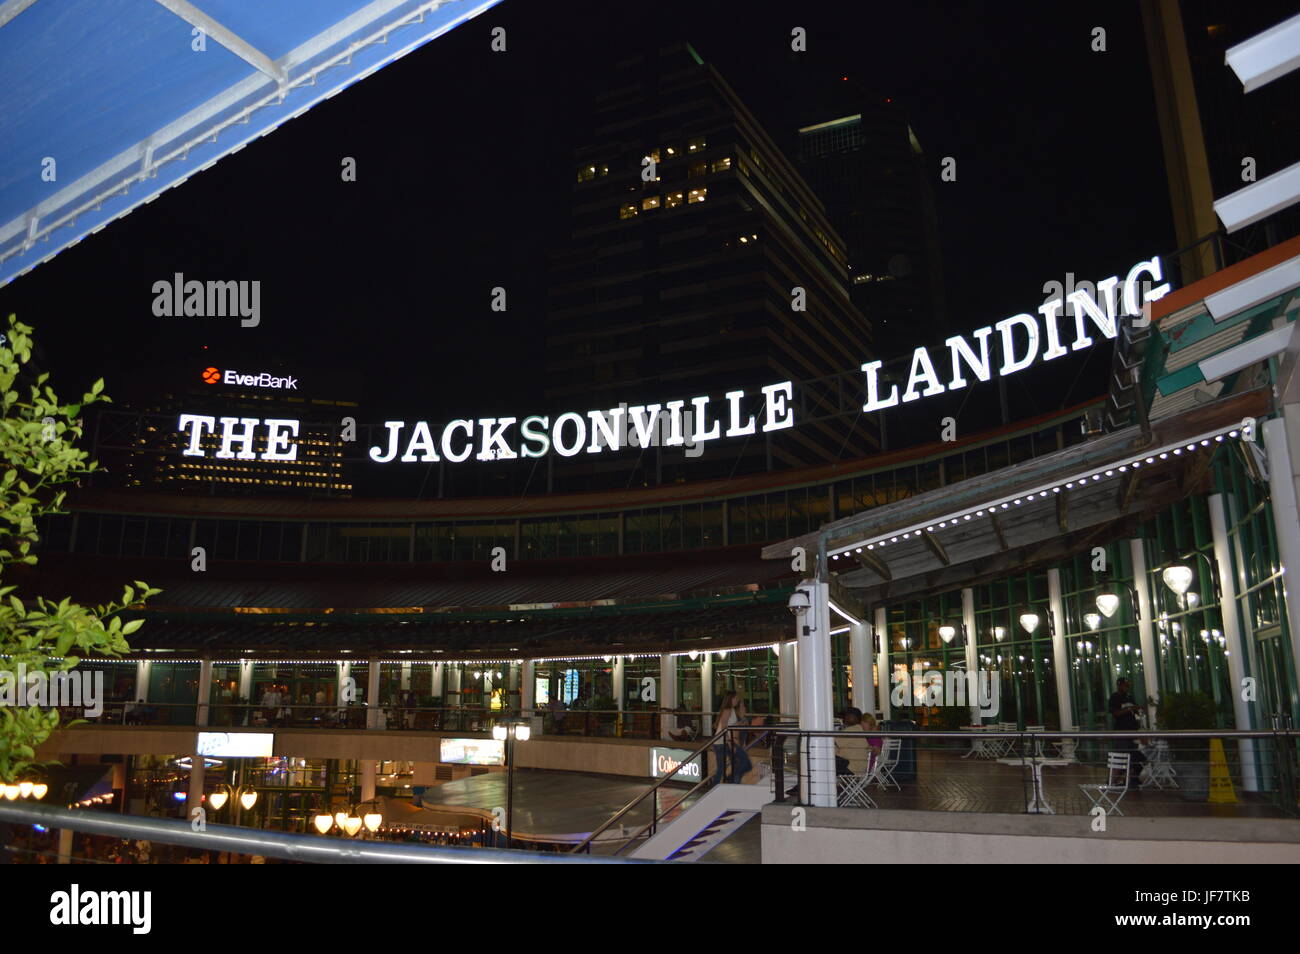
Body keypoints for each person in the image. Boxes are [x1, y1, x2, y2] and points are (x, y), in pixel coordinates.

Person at [1109, 678, 1145, 783]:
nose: (1126, 688)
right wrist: (1129, 709)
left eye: (1128, 686)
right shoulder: (1115, 697)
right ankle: (1113, 781)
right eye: (1125, 686)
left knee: (1134, 755)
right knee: (1121, 756)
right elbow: (1115, 713)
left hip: (1132, 730)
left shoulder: (1129, 697)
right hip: (1122, 730)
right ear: (1119, 686)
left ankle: (1131, 779)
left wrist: (1138, 710)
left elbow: (1136, 710)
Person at [713, 691, 752, 784]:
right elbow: (723, 728)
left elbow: (730, 726)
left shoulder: (732, 710)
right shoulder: (727, 710)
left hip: (726, 742)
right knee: (722, 768)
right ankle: (715, 786)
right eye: (736, 698)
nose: (737, 700)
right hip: (721, 743)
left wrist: (741, 722)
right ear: (731, 699)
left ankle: (731, 781)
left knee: (739, 764)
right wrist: (730, 742)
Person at [835, 707, 873, 778]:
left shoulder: (851, 730)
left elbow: (831, 742)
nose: (844, 718)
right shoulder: (858, 729)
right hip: (859, 769)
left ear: (853, 718)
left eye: (847, 716)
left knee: (824, 759)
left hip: (852, 769)